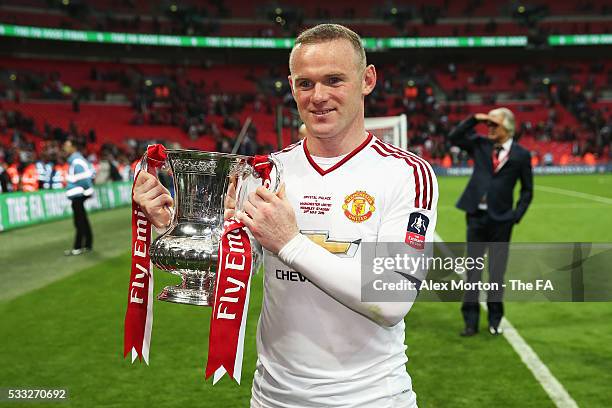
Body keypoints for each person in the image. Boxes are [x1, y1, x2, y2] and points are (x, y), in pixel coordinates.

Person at [134, 24, 438, 407]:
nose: (319, 97)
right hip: (273, 398)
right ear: (291, 86)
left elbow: (391, 301)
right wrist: (180, 229)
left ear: (367, 80)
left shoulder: (407, 174)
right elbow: (234, 280)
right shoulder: (263, 172)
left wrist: (291, 242)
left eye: (334, 80)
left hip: (371, 398)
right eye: (305, 84)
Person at [448, 108, 533, 337]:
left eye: (494, 124)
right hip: (476, 217)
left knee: (497, 273)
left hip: (502, 221)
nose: (490, 128)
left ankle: (495, 319)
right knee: (473, 271)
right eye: (489, 124)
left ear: (508, 127)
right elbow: (454, 137)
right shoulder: (480, 144)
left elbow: (527, 190)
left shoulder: (521, 155)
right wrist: (476, 119)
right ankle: (470, 321)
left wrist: (515, 216)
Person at [64, 138, 94, 256]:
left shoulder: (76, 161)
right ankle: (87, 244)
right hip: (78, 194)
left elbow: (84, 179)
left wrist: (87, 192)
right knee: (83, 220)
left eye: (67, 145)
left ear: (73, 147)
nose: (64, 148)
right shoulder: (77, 160)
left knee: (79, 221)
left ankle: (78, 247)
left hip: (78, 195)